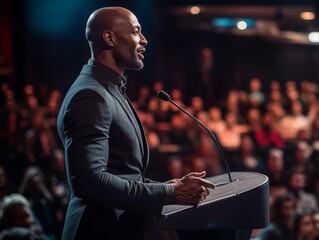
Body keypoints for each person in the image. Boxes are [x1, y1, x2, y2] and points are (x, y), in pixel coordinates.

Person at [56, 7, 215, 240]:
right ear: (109, 38)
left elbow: (123, 172)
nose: (144, 40)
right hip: (100, 230)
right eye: (135, 32)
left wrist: (163, 187)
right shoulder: (90, 95)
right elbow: (89, 182)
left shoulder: (109, 89)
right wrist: (168, 192)